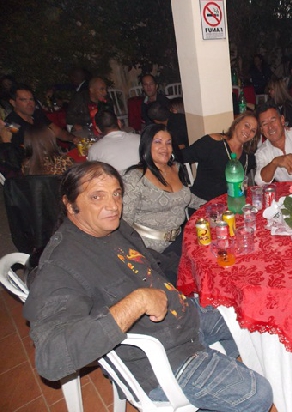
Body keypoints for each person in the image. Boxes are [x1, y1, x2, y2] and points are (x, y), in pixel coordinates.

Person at [23, 161, 273, 411]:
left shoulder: (113, 227)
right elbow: (51, 359)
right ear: (70, 204)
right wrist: (136, 302)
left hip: (185, 317)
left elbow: (149, 263)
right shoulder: (61, 266)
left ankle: (214, 371)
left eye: (116, 194)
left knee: (256, 314)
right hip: (161, 360)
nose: (113, 206)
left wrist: (196, 269)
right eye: (97, 197)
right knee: (258, 394)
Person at [123, 124, 204, 256]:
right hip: (148, 248)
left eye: (168, 143)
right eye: (158, 142)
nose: (164, 148)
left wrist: (212, 205)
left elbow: (185, 197)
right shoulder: (135, 178)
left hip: (178, 240)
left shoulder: (177, 168)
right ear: (147, 145)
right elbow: (125, 222)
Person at [182, 112, 258, 202]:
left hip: (233, 202)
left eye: (253, 131)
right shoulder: (213, 143)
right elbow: (182, 156)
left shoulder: (248, 155)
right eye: (246, 125)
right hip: (204, 202)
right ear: (236, 123)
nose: (248, 131)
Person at [4, 84, 77, 164]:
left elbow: (57, 131)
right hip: (33, 163)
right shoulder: (10, 123)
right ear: (13, 103)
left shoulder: (37, 114)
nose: (30, 104)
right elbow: (18, 149)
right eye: (24, 100)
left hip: (52, 157)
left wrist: (75, 139)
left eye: (31, 99)